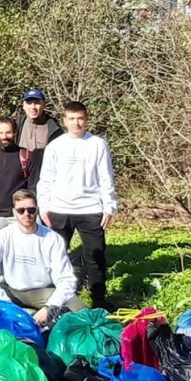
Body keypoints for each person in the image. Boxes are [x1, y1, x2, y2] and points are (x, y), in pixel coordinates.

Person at [36, 101, 117, 309]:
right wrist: (43, 206)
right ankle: (53, 300)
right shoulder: (55, 146)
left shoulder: (97, 144)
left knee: (95, 256)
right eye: (71, 119)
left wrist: (109, 206)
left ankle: (98, 301)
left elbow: (105, 176)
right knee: (55, 256)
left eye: (80, 118)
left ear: (86, 119)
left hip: (90, 208)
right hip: (59, 209)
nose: (76, 123)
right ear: (64, 121)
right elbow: (46, 179)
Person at [0, 188, 85, 326]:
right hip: (10, 291)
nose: (27, 214)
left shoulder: (52, 238)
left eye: (31, 210)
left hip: (41, 292)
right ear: (14, 212)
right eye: (21, 210)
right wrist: (6, 303)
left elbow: (66, 280)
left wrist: (49, 307)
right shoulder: (3, 236)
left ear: (37, 211)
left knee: (79, 308)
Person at [0, 118, 33, 240]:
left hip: (19, 215)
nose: (4, 136)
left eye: (8, 132)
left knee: (21, 254)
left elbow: (33, 186)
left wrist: (28, 212)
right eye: (1, 133)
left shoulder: (27, 156)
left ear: (15, 133)